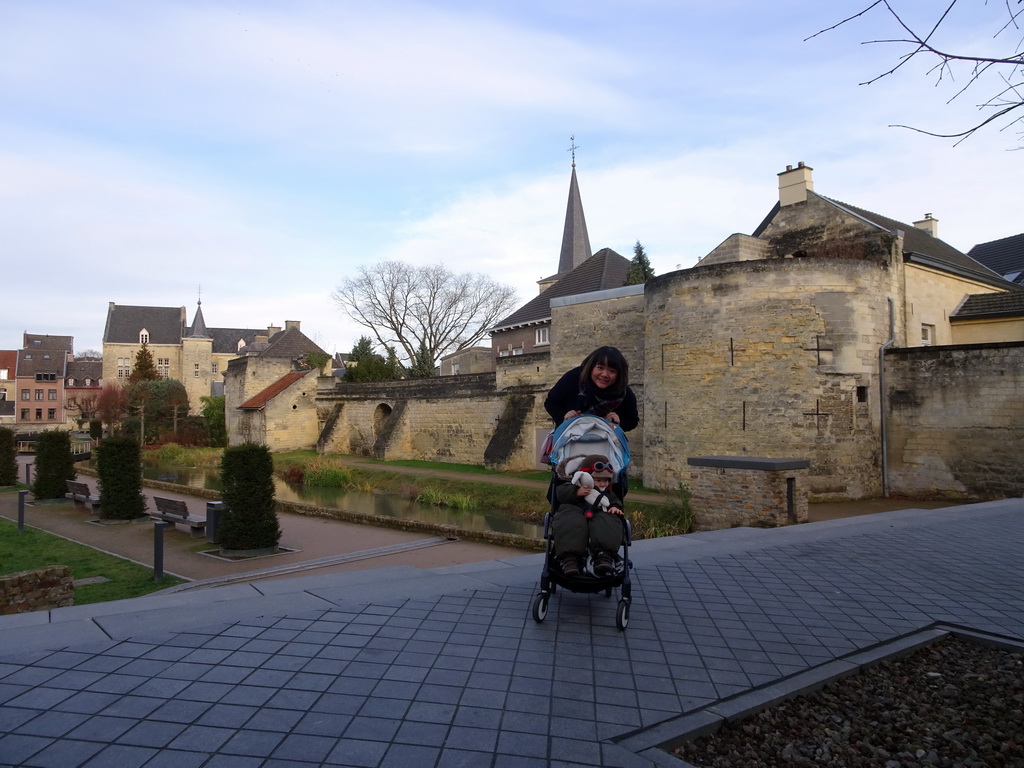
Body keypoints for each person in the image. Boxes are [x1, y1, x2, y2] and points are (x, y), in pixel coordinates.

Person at [551, 454, 624, 577]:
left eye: (606, 480)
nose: (603, 484)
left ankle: (604, 556)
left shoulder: (607, 493)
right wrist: (576, 492)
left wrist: (615, 507)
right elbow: (561, 494)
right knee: (571, 522)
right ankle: (570, 559)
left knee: (607, 521)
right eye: (599, 480)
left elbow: (615, 501)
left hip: (599, 513)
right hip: (575, 510)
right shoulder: (574, 484)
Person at [544, 346, 639, 431]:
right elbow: (551, 402)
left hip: (605, 442)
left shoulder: (623, 393)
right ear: (591, 367)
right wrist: (564, 417)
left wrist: (619, 422)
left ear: (619, 375)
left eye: (612, 371)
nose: (605, 374)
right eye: (600, 368)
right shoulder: (573, 378)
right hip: (569, 438)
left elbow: (632, 421)